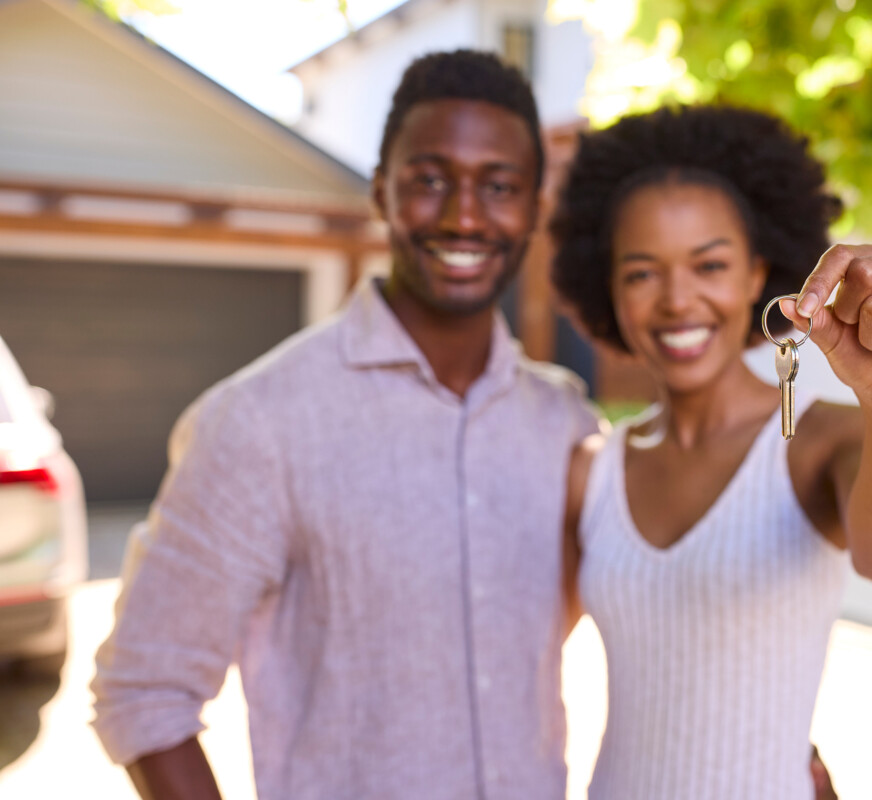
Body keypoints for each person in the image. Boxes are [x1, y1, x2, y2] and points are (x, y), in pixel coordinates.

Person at [91, 50, 599, 800]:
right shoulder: (261, 422)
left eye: (498, 186)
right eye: (430, 180)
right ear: (382, 193)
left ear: (533, 206)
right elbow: (143, 690)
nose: (463, 215)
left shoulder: (564, 425)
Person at [551, 104, 872, 799]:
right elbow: (515, 653)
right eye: (642, 272)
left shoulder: (821, 444)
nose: (678, 299)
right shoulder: (593, 470)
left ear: (755, 272)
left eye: (709, 264)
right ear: (608, 287)